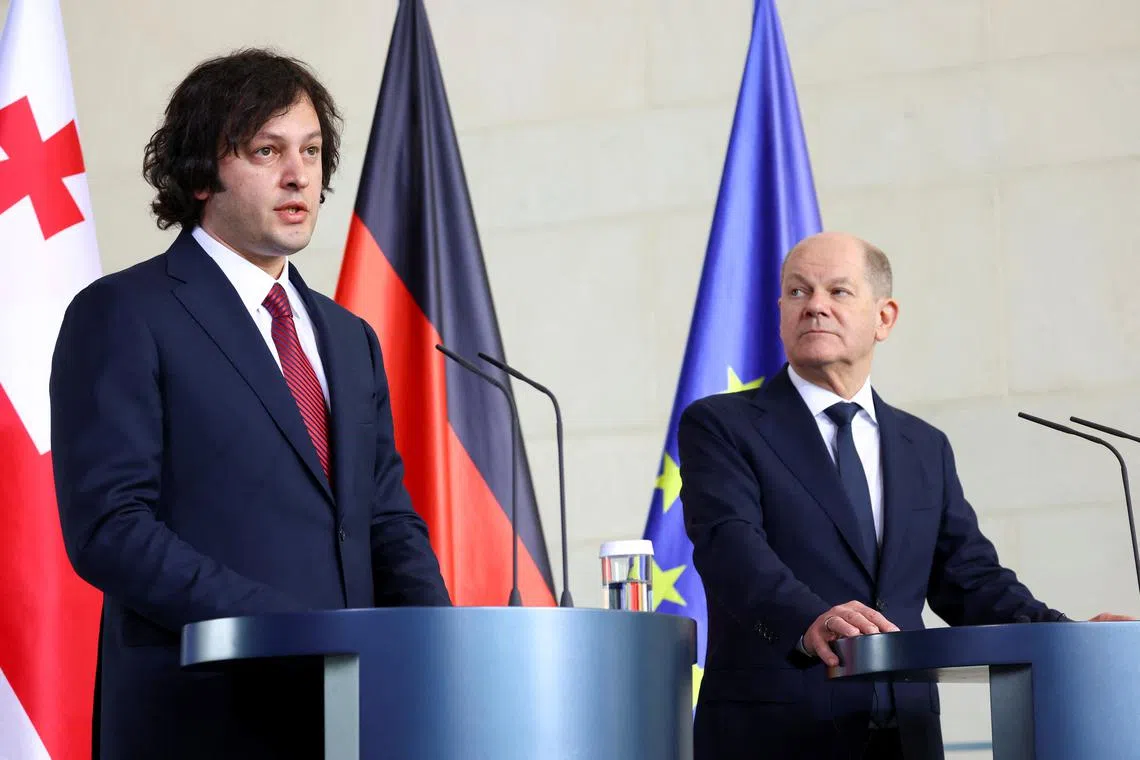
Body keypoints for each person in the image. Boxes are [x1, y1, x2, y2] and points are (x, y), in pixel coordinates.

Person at [49, 49, 451, 759]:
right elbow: (110, 526)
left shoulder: (348, 337)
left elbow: (384, 516)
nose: (300, 175)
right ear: (203, 172)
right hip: (202, 716)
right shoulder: (123, 313)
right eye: (268, 150)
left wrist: (443, 644)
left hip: (354, 713)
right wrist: (285, 628)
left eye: (312, 151)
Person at [679, 231, 1130, 760]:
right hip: (776, 731)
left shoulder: (923, 446)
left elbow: (971, 582)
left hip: (906, 733)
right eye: (797, 293)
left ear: (885, 317)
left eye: (838, 292)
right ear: (779, 312)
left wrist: (1071, 638)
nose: (815, 306)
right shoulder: (722, 425)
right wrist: (809, 619)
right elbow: (730, 549)